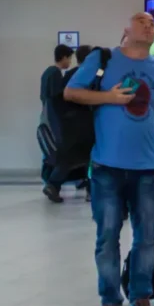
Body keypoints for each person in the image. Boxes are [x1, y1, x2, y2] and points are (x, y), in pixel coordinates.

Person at [64, 13, 154, 306]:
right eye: (142, 21)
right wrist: (109, 98)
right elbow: (71, 92)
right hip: (106, 167)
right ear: (125, 30)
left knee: (145, 237)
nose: (150, 25)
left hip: (145, 168)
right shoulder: (101, 59)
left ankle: (141, 296)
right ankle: (109, 303)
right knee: (107, 237)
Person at [44, 45, 94, 201]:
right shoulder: (89, 75)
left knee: (69, 158)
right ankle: (91, 191)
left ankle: (53, 184)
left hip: (67, 124)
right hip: (84, 123)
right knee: (90, 157)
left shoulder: (69, 74)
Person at [40, 44, 75, 183]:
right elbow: (58, 97)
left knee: (48, 150)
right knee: (58, 151)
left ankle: (48, 179)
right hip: (53, 117)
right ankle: (52, 181)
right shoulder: (55, 73)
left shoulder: (47, 72)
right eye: (69, 59)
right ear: (64, 57)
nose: (70, 62)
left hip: (45, 115)